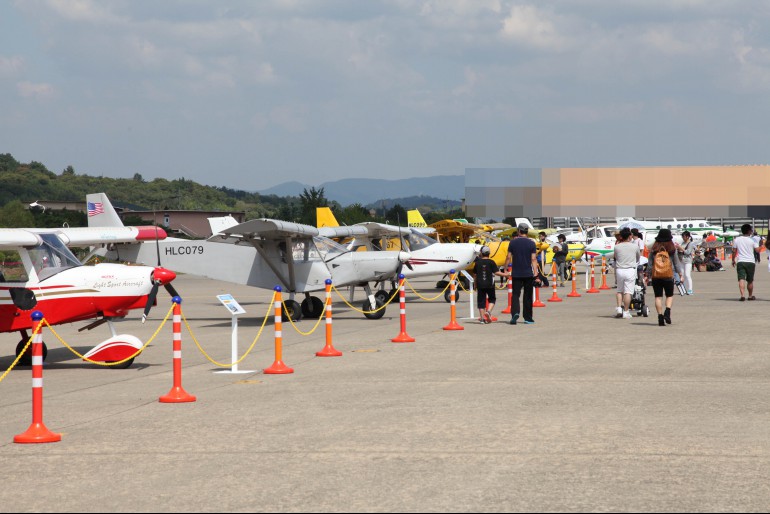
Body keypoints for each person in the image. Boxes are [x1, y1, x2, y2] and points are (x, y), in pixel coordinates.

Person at [504, 223, 540, 325]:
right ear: (527, 231)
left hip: (516, 273)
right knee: (528, 296)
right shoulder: (531, 243)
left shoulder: (513, 243)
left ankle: (515, 312)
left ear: (519, 231)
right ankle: (528, 318)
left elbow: (508, 257)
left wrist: (505, 269)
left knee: (515, 295)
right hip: (528, 273)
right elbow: (533, 259)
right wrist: (536, 274)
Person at [646, 228, 683, 326]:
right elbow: (676, 263)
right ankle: (667, 311)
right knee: (669, 295)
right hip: (668, 275)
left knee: (658, 297)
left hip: (656, 276)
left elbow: (650, 264)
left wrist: (648, 275)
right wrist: (680, 274)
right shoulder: (671, 249)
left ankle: (660, 317)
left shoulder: (654, 249)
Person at [475, 246, 509, 323]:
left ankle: (482, 319)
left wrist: (475, 284)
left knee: (481, 301)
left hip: (480, 284)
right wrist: (505, 275)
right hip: (489, 284)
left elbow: (475, 275)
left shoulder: (477, 263)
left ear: (481, 253)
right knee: (492, 299)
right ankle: (489, 311)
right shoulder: (491, 262)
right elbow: (496, 272)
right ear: (489, 253)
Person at [613, 227, 640, 319]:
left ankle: (619, 308)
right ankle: (626, 311)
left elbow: (616, 257)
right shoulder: (635, 246)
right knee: (628, 292)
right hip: (630, 270)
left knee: (619, 290)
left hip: (620, 269)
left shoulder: (617, 246)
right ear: (629, 236)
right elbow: (638, 258)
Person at [732, 223, 759, 301]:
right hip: (750, 262)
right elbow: (757, 250)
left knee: (741, 279)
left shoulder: (737, 239)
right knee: (750, 280)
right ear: (749, 231)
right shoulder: (753, 240)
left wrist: (733, 260)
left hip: (740, 261)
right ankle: (750, 296)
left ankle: (742, 295)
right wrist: (761, 245)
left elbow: (734, 251)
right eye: (751, 230)